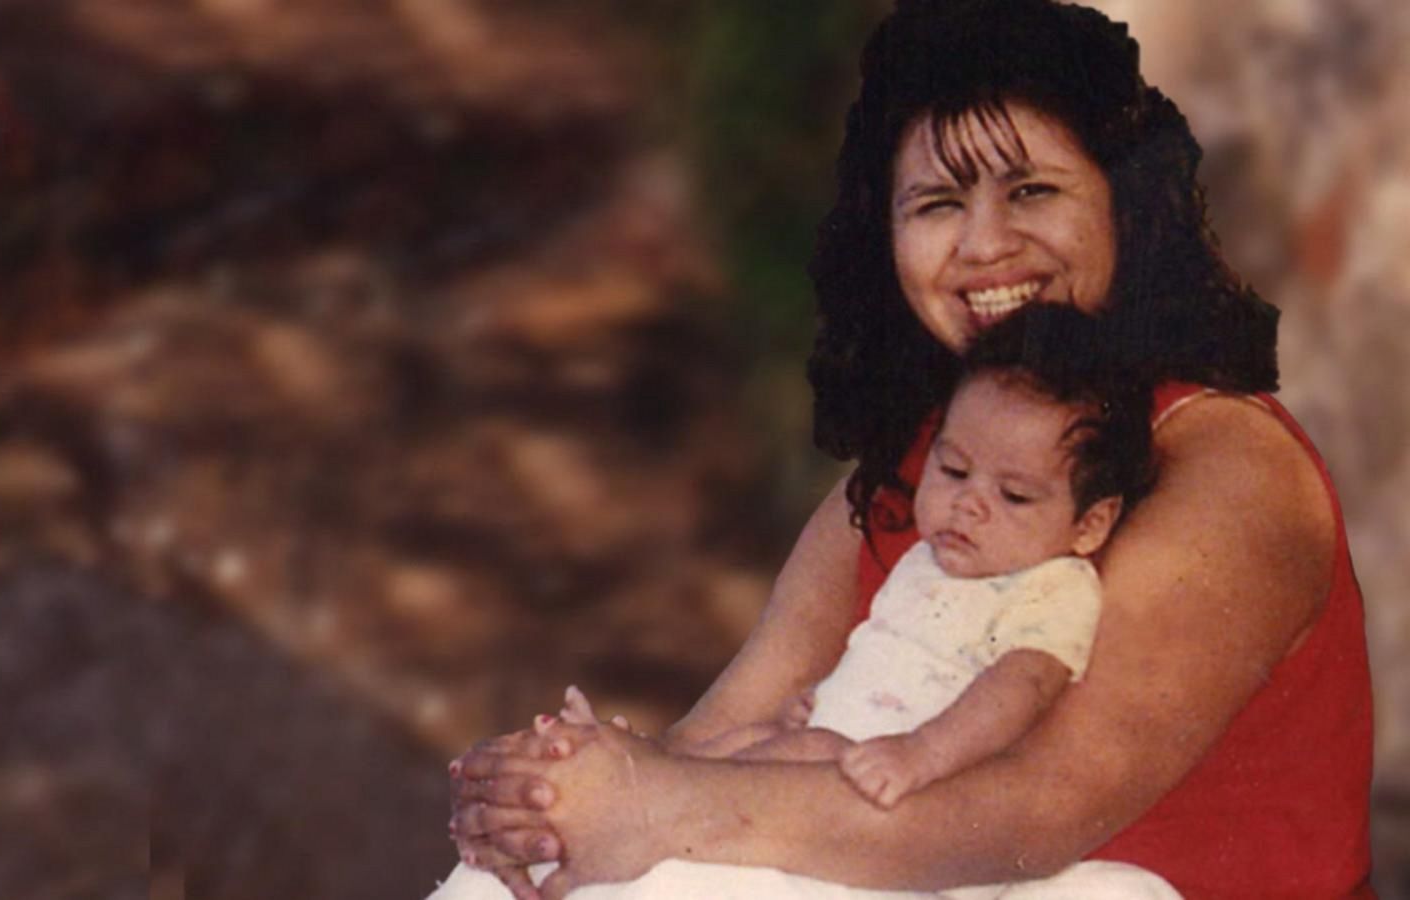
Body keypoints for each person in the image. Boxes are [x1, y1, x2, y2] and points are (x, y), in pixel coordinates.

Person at [448, 1, 1376, 898]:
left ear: (1130, 208)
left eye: (1032, 191)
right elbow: (707, 743)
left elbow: (1039, 812)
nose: (985, 246)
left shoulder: (1228, 465)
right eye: (937, 203)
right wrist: (540, 804)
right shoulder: (914, 471)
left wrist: (655, 805)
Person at [432, 307, 1184, 898]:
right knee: (743, 749)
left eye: (1014, 495)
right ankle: (610, 763)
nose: (969, 506)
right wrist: (820, 698)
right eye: (954, 470)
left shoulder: (1052, 587)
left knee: (755, 770)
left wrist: (922, 754)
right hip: (842, 745)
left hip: (908, 799)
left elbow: (1020, 688)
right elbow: (889, 652)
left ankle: (630, 793)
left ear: (1090, 524)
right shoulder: (932, 558)